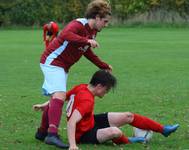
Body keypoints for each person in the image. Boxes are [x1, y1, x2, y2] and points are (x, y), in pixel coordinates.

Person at [34, 70, 179, 150]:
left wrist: (45, 104)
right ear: (99, 86)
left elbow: (62, 97)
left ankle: (163, 129)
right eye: (107, 89)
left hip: (89, 121)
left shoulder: (82, 87)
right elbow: (72, 122)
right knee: (115, 131)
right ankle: (128, 141)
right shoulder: (87, 100)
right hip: (83, 134)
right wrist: (73, 145)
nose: (106, 92)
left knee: (128, 116)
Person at [36, 0, 112, 148]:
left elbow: (86, 51)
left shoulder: (93, 32)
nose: (106, 24)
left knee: (55, 98)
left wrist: (103, 65)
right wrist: (87, 40)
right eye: (105, 21)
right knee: (60, 95)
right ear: (96, 17)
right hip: (53, 61)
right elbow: (65, 34)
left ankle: (42, 132)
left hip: (62, 66)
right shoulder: (78, 24)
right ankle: (52, 135)